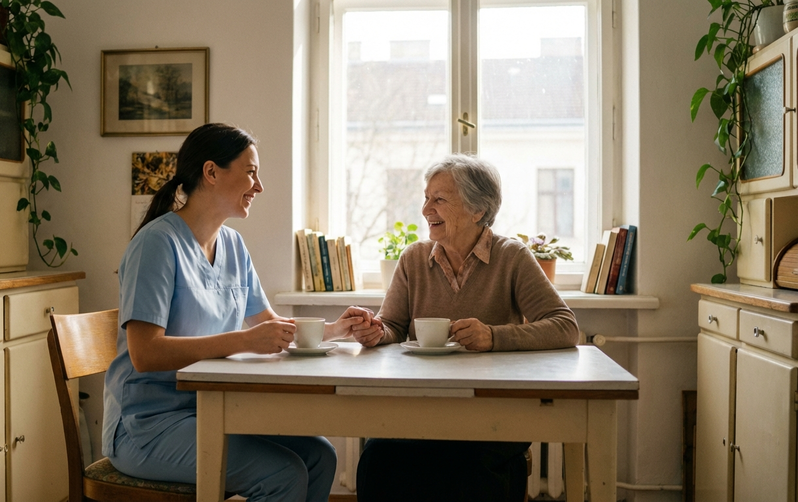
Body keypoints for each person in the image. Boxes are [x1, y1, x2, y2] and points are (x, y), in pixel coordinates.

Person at [103, 123, 376, 502]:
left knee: (319, 456)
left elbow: (268, 327)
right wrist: (242, 341)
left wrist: (335, 329)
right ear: (211, 172)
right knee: (283, 475)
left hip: (211, 410)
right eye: (250, 172)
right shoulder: (156, 244)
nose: (259, 186)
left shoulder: (232, 244)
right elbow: (145, 353)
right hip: (149, 426)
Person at [350, 153, 580, 501]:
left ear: (478, 210)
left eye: (439, 200)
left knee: (472, 470)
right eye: (426, 198)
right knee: (378, 460)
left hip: (493, 412)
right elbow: (393, 325)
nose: (426, 210)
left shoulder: (512, 257)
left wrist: (493, 336)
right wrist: (377, 332)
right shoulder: (414, 258)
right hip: (422, 408)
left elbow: (565, 327)